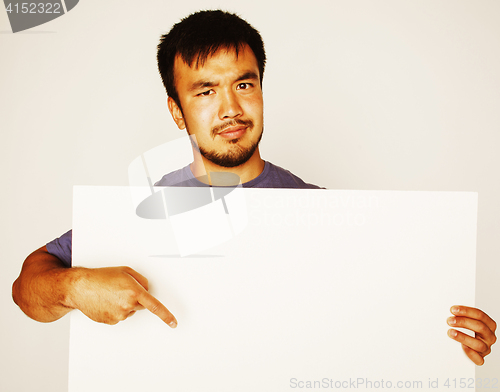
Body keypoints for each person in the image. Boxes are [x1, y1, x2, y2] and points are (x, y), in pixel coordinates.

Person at [12, 10, 496, 366]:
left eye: (244, 85)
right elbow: (26, 288)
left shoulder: (323, 212)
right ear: (177, 111)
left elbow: (382, 320)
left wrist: (455, 337)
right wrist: (74, 286)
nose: (230, 109)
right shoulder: (141, 210)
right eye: (205, 92)